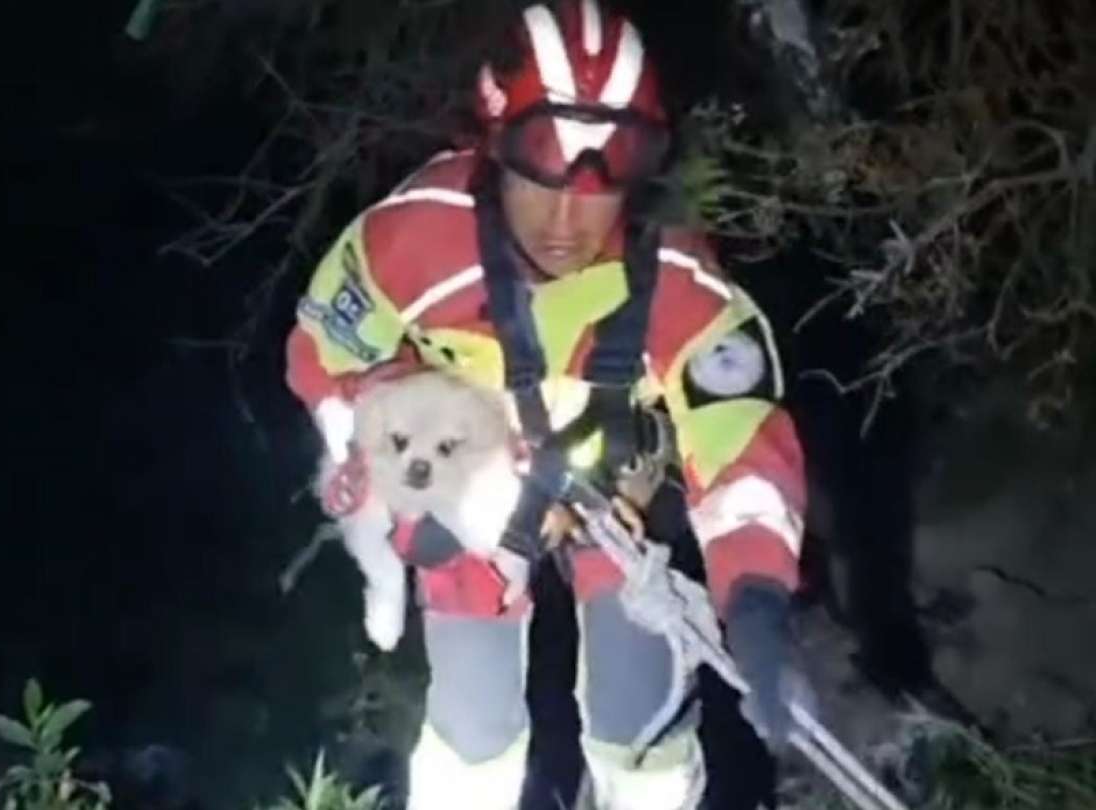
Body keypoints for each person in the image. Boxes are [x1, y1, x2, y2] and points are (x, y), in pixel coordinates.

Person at [284, 2, 810, 808]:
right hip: (468, 497)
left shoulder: (677, 278)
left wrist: (757, 594)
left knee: (640, 722)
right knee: (474, 725)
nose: (568, 218)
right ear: (494, 147)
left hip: (616, 499)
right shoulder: (412, 241)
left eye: (609, 171)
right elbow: (323, 358)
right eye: (542, 167)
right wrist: (403, 478)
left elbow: (738, 433)